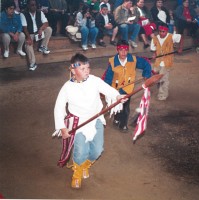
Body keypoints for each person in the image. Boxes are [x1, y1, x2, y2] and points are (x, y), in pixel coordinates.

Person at [54, 53, 126, 189]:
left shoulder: (94, 80)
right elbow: (58, 108)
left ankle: (85, 165)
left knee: (97, 150)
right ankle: (77, 172)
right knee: (80, 152)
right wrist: (62, 128)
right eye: (83, 69)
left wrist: (117, 96)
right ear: (73, 69)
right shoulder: (67, 88)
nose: (87, 71)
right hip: (79, 124)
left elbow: (107, 89)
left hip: (96, 119)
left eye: (88, 68)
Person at [103, 40, 152, 132]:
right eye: (121, 50)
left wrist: (146, 74)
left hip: (127, 89)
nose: (123, 52)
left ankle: (123, 124)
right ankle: (116, 118)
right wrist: (106, 89)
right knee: (117, 105)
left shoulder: (133, 59)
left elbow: (146, 63)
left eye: (125, 50)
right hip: (115, 89)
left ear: (128, 50)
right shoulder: (113, 62)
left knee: (125, 107)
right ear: (117, 50)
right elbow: (108, 77)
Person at [150, 23, 183, 101]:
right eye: (160, 31)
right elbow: (154, 49)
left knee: (163, 78)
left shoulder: (171, 36)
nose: (161, 33)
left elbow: (181, 37)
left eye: (163, 31)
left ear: (167, 31)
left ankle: (163, 95)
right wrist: (154, 55)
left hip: (167, 61)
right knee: (154, 74)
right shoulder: (155, 38)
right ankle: (159, 85)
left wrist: (180, 48)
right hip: (158, 61)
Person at [20, 0, 52, 71]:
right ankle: (33, 63)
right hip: (30, 33)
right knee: (27, 44)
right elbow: (24, 28)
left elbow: (46, 23)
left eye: (35, 5)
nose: (34, 7)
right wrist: (28, 38)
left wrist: (41, 29)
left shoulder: (39, 12)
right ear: (28, 5)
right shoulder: (23, 14)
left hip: (38, 32)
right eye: (32, 5)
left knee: (49, 29)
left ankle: (42, 46)